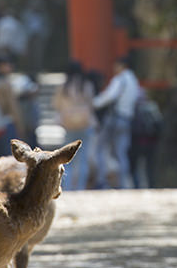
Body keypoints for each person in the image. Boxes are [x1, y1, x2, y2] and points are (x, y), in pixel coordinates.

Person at [92, 57, 140, 189]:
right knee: (121, 153)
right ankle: (123, 183)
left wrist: (94, 103)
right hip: (127, 119)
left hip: (114, 118)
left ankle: (102, 180)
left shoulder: (120, 79)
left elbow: (109, 96)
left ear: (121, 66)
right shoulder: (134, 80)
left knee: (101, 148)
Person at [52, 61, 96, 190]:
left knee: (67, 157)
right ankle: (80, 187)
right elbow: (91, 104)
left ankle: (67, 186)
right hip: (84, 124)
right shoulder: (86, 85)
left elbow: (56, 104)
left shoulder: (63, 87)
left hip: (68, 124)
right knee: (83, 158)